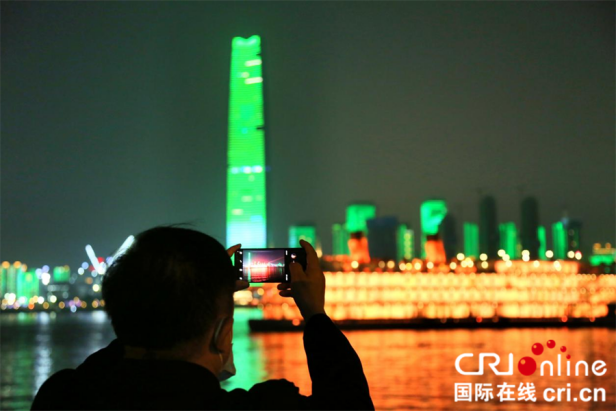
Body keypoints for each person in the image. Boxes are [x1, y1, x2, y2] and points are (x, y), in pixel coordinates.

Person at [32, 226, 374, 410]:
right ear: (222, 335)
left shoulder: (61, 397)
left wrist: (169, 299)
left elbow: (124, 350)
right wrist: (315, 314)